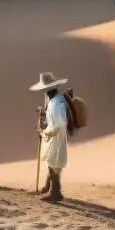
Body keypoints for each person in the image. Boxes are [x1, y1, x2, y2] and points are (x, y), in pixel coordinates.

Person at [30, 71, 70, 203]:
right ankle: (49, 187)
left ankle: (55, 192)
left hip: (56, 137)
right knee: (53, 162)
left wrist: (43, 132)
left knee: (53, 162)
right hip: (57, 136)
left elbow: (58, 124)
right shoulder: (57, 100)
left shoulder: (55, 104)